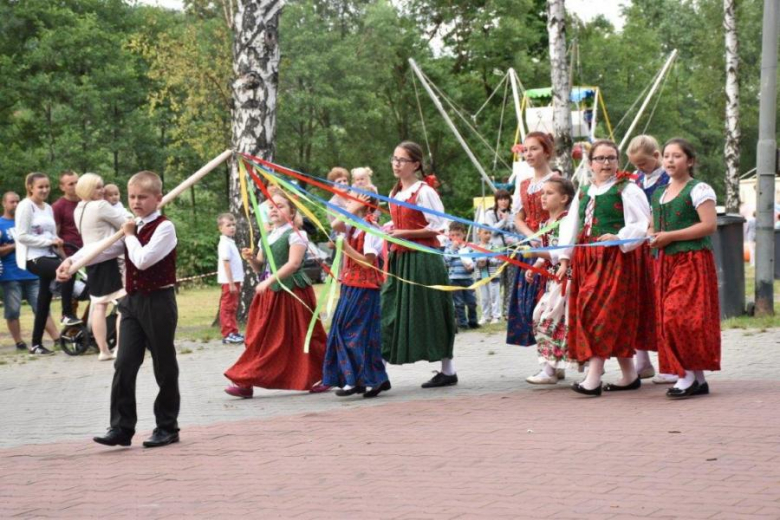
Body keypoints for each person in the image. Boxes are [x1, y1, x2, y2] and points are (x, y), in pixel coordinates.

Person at [61, 171, 181, 448]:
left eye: (143, 197)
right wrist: (71, 262)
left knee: (164, 365)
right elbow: (100, 249)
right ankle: (121, 427)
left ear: (158, 198)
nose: (136, 202)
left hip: (158, 302)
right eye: (132, 197)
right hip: (131, 302)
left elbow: (142, 260)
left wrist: (129, 235)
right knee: (124, 363)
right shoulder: (131, 227)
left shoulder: (164, 227)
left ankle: (167, 426)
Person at [559, 140, 652, 396]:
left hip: (615, 260)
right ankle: (629, 374)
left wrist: (619, 236)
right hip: (587, 259)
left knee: (599, 314)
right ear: (590, 164)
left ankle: (593, 377)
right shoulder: (584, 191)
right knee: (601, 315)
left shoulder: (628, 188)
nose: (606, 163)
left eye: (611, 158)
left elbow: (643, 222)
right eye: (600, 158)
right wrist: (564, 257)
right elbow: (571, 224)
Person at [224, 191, 327, 397]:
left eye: (280, 206)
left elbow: (293, 264)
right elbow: (261, 267)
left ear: (291, 211)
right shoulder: (267, 237)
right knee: (260, 337)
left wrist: (268, 281)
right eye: (271, 207)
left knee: (303, 335)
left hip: (293, 292)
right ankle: (246, 380)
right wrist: (252, 258)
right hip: (271, 294)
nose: (274, 210)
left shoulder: (297, 235)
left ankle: (322, 375)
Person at [382, 141, 457, 388]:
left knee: (432, 310)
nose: (396, 164)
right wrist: (391, 229)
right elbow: (399, 225)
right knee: (391, 310)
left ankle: (448, 370)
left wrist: (404, 233)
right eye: (394, 158)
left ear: (415, 164)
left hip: (424, 259)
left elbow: (439, 225)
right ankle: (378, 372)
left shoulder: (424, 192)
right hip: (401, 260)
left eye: (402, 160)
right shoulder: (394, 193)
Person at [650, 138, 720, 399]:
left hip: (692, 259)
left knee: (678, 316)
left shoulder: (699, 188)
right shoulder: (659, 192)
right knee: (672, 318)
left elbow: (709, 225)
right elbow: (652, 224)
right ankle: (696, 378)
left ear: (689, 161)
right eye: (666, 156)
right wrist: (651, 235)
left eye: (676, 156)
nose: (669, 160)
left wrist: (671, 236)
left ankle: (686, 376)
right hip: (666, 261)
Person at [322, 188, 390, 398]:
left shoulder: (371, 230)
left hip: (365, 288)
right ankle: (363, 380)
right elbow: (334, 225)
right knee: (342, 329)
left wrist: (346, 249)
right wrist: (352, 209)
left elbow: (369, 262)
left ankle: (360, 380)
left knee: (356, 333)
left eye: (353, 198)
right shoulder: (353, 226)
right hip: (350, 285)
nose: (348, 202)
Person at [15, 173, 81, 355]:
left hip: (50, 256)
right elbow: (21, 236)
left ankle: (36, 344)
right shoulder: (25, 206)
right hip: (33, 258)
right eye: (40, 187)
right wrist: (48, 242)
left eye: (47, 186)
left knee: (43, 301)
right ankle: (67, 313)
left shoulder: (47, 208)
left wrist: (60, 247)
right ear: (30, 187)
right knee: (68, 269)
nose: (44, 190)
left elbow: (51, 234)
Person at [627, 134, 674, 384]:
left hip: (660, 247)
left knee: (661, 303)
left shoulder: (669, 180)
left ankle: (670, 362)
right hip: (638, 249)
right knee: (639, 302)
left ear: (657, 156)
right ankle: (642, 360)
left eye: (643, 163)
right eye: (636, 165)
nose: (639, 169)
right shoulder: (634, 181)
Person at [507, 132, 559, 349]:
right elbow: (518, 217)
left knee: (549, 302)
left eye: (534, 149)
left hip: (553, 247)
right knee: (530, 305)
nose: (528, 154)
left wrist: (544, 237)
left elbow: (562, 215)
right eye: (525, 149)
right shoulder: (524, 183)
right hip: (531, 247)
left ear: (546, 152)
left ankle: (551, 358)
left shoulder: (556, 180)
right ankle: (545, 355)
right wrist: (531, 236)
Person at [525, 177, 575, 384]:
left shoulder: (567, 221)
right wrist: (535, 266)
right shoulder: (547, 223)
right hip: (552, 280)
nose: (543, 197)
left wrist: (535, 254)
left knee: (548, 318)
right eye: (542, 193)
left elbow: (562, 250)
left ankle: (549, 370)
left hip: (566, 279)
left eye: (549, 193)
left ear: (564, 198)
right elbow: (547, 251)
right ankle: (554, 366)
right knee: (544, 316)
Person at [73, 173, 127, 361]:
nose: (102, 190)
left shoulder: (78, 208)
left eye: (102, 186)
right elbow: (125, 223)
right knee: (123, 305)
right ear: (87, 189)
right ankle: (120, 347)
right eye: (98, 187)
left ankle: (104, 350)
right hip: (109, 259)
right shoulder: (100, 206)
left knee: (98, 305)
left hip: (90, 260)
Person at [0, 191, 59, 351]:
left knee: (41, 306)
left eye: (18, 201)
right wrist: (14, 246)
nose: (16, 205)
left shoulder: (32, 218)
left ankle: (56, 338)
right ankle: (19, 341)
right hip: (11, 273)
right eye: (12, 202)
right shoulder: (1, 224)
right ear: (4, 203)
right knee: (13, 310)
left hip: (33, 271)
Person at [482, 189, 517, 319]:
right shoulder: (490, 213)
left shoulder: (514, 213)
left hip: (512, 251)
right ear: (496, 200)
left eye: (506, 198)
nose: (503, 201)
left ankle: (507, 312)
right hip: (496, 253)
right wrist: (504, 221)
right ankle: (491, 313)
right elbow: (492, 231)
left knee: (510, 282)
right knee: (496, 283)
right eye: (500, 199)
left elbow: (518, 231)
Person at [216, 213, 245, 345]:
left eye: (233, 225)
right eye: (228, 225)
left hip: (235, 281)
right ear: (220, 228)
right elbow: (226, 263)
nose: (232, 227)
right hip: (229, 282)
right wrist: (231, 283)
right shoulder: (224, 244)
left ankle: (233, 331)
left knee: (233, 307)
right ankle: (228, 333)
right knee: (227, 307)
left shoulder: (230, 242)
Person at [444, 222, 478, 330]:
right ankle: (462, 323)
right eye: (453, 235)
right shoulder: (449, 247)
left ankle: (473, 321)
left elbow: (474, 260)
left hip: (468, 278)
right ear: (449, 236)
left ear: (464, 234)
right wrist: (453, 249)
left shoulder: (469, 247)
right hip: (454, 279)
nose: (455, 238)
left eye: (458, 235)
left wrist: (472, 267)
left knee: (472, 301)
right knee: (458, 303)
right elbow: (446, 260)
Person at [474, 228, 502, 325]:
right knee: (484, 297)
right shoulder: (475, 248)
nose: (488, 235)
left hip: (492, 275)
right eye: (485, 233)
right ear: (479, 234)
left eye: (489, 233)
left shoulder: (494, 246)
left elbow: (499, 260)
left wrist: (488, 261)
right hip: (481, 275)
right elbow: (473, 260)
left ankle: (496, 316)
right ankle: (485, 316)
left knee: (494, 296)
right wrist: (478, 262)